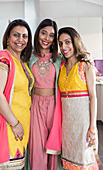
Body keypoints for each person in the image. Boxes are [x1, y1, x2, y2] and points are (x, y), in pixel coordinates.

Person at [0, 19, 34, 170]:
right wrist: (15, 124)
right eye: (16, 35)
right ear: (8, 37)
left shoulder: (21, 61)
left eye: (24, 36)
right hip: (7, 122)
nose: (21, 40)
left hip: (20, 122)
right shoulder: (4, 59)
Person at [57, 27, 99, 169]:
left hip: (83, 125)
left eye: (67, 42)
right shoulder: (61, 67)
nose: (64, 47)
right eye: (61, 43)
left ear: (75, 42)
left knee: (84, 161)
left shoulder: (85, 65)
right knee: (69, 161)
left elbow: (93, 97)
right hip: (66, 126)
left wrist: (92, 127)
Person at [28, 18, 62, 170]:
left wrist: (85, 57)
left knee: (53, 146)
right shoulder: (29, 57)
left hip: (54, 105)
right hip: (35, 104)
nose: (46, 38)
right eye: (44, 33)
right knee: (37, 148)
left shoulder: (59, 58)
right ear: (38, 34)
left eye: (51, 35)